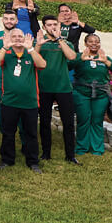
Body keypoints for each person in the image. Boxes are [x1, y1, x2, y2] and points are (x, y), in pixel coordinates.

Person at [0, 28, 46, 172]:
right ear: (9, 38)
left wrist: (32, 49)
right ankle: (7, 159)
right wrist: (5, 46)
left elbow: (42, 65)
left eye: (20, 36)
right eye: (14, 36)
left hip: (30, 102)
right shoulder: (7, 53)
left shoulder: (30, 53)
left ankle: (33, 161)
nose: (17, 38)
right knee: (8, 132)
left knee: (31, 133)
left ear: (24, 38)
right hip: (9, 101)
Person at [34, 16, 79, 165]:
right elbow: (33, 58)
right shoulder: (40, 42)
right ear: (44, 27)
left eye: (55, 24)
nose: (52, 27)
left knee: (68, 122)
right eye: (49, 25)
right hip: (44, 88)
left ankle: (70, 155)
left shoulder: (65, 42)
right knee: (45, 122)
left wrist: (60, 39)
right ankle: (46, 153)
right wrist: (39, 44)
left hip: (63, 88)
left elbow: (72, 57)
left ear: (59, 26)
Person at [71, 33, 112, 157]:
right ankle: (81, 147)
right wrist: (80, 59)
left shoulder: (104, 57)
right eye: (91, 41)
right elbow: (68, 66)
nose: (94, 43)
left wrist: (106, 62)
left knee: (97, 121)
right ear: (85, 43)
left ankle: (97, 149)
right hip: (81, 93)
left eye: (97, 41)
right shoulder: (80, 56)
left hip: (101, 95)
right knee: (83, 120)